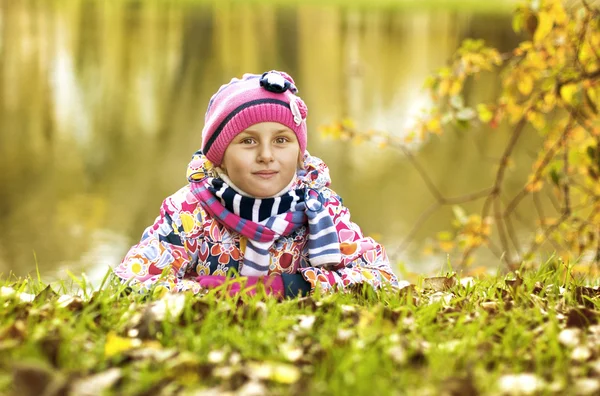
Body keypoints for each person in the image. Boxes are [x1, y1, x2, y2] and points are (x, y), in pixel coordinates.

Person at [114, 70, 399, 299]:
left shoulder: (320, 208)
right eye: (248, 141)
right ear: (220, 158)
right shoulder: (190, 211)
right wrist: (210, 291)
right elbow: (131, 284)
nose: (266, 155)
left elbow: (380, 278)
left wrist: (285, 287)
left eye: (281, 140)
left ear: (300, 155)